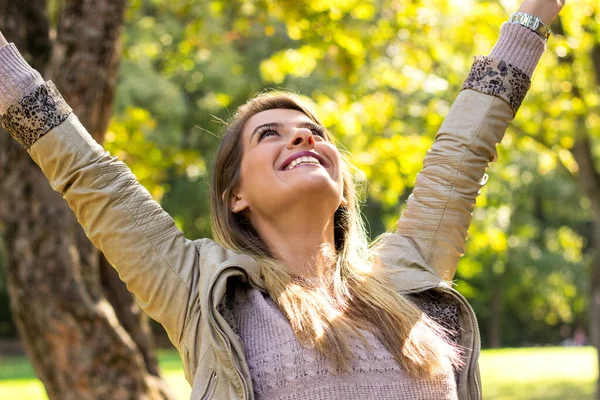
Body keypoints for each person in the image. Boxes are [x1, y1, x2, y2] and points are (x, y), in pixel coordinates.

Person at [0, 0, 564, 399]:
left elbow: (462, 153)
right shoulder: (196, 288)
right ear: (236, 195)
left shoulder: (407, 273)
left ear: (342, 182)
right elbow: (85, 169)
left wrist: (531, 17)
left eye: (315, 132)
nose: (304, 136)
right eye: (269, 133)